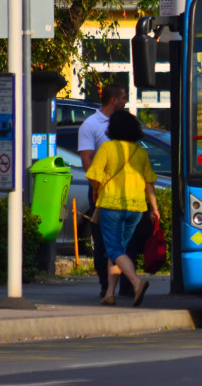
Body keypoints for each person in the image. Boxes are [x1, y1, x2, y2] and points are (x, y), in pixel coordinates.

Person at [85, 110, 159, 307]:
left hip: (112, 205)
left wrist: (95, 191)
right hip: (136, 208)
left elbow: (94, 175)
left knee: (114, 249)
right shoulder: (140, 152)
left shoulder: (108, 148)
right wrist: (155, 208)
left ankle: (136, 282)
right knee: (116, 250)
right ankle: (110, 293)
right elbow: (149, 183)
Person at [77, 84, 127, 298]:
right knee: (103, 241)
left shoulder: (124, 122)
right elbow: (87, 159)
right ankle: (105, 285)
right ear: (113, 100)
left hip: (125, 191)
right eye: (123, 97)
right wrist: (97, 186)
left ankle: (124, 285)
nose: (126, 101)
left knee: (124, 240)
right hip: (102, 192)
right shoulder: (91, 125)